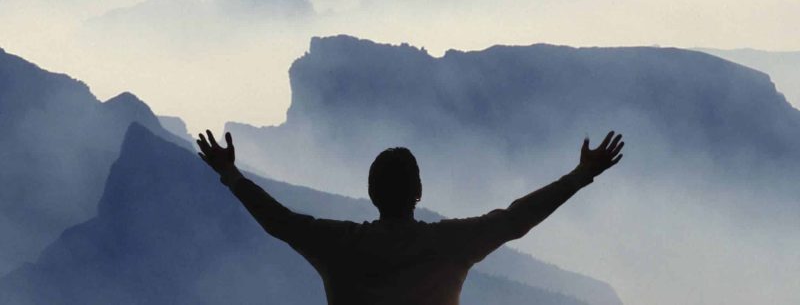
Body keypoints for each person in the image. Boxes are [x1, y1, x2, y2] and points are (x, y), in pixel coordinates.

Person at [197, 130, 624, 305]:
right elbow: (518, 218)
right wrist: (582, 175)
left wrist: (230, 174)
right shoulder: (453, 244)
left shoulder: (336, 244)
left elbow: (278, 221)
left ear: (370, 193)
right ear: (419, 193)